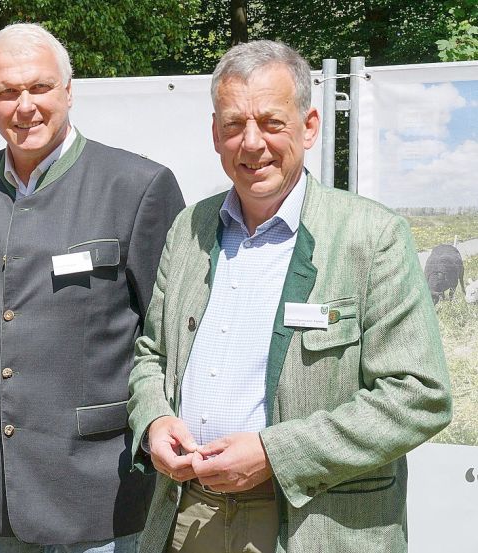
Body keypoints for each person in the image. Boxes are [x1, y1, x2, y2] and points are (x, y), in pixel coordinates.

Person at [127, 40, 453, 553]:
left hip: (313, 526)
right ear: (215, 134)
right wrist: (154, 420)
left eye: (271, 122)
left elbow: (419, 394)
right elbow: (151, 355)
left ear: (309, 125)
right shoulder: (189, 228)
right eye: (234, 125)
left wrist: (275, 453)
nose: (251, 143)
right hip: (189, 517)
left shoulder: (371, 235)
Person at [0, 23, 185, 552]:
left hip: (102, 491)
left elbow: (170, 337)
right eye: (7, 92)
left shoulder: (137, 187)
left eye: (39, 88)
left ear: (69, 91)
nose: (24, 106)